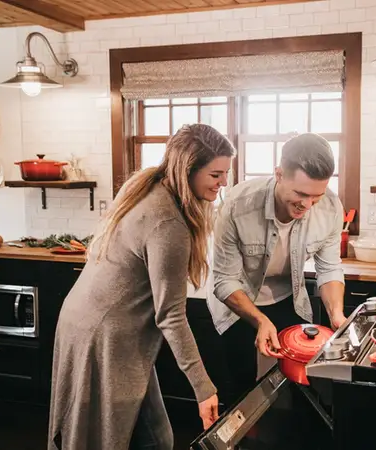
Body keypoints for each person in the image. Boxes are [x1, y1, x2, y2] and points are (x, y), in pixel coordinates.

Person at [47, 124, 236, 450]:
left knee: (152, 435)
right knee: (146, 439)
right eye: (216, 174)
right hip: (106, 336)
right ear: (188, 169)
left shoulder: (147, 186)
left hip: (84, 322)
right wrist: (204, 389)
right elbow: (172, 317)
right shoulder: (168, 223)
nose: (223, 182)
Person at [209, 132, 346, 404]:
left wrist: (337, 315)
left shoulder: (330, 207)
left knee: (299, 388)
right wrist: (260, 320)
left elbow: (329, 268)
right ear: (279, 174)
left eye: (316, 196)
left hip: (289, 300)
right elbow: (224, 280)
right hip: (238, 304)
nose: (307, 205)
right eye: (300, 194)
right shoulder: (236, 205)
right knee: (242, 392)